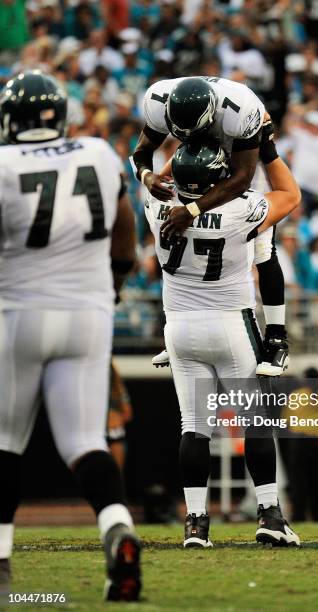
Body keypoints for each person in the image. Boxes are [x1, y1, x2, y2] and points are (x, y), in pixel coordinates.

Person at [0, 71, 141, 601]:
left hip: (19, 314)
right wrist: (117, 282)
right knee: (86, 442)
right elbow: (125, 230)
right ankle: (116, 528)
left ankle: (2, 561)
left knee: (5, 442)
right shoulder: (101, 153)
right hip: (90, 312)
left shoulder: (4, 164)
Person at [144, 126, 301, 548]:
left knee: (194, 427)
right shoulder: (243, 208)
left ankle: (196, 523)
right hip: (230, 323)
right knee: (256, 422)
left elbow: (158, 171)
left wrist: (168, 154)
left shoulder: (154, 204)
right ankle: (269, 514)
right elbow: (290, 194)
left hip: (179, 328)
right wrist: (261, 146)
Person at [131, 76, 289, 377]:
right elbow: (142, 155)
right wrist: (148, 176)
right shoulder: (159, 100)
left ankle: (276, 336)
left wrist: (191, 209)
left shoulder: (240, 109)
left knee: (262, 248)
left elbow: (242, 176)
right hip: (192, 163)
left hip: (236, 160)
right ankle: (182, 329)